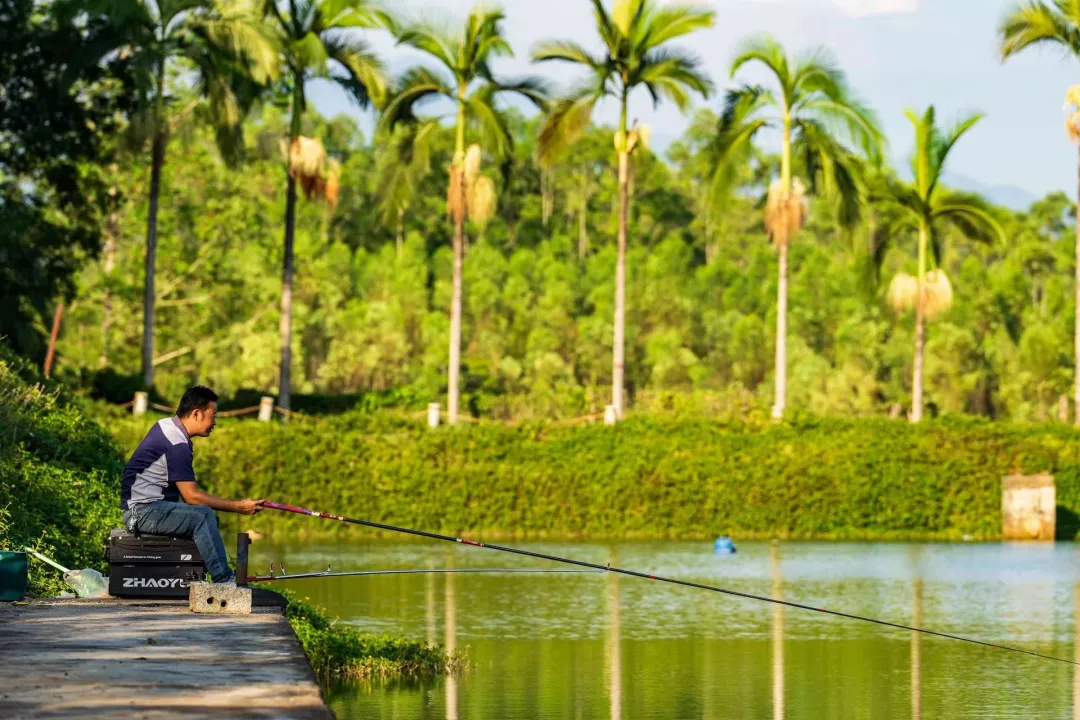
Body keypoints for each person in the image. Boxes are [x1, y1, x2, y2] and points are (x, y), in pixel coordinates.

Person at [120, 385, 264, 584]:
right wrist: (239, 507)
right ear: (197, 413)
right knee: (203, 516)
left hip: (143, 509)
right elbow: (192, 496)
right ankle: (224, 579)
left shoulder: (166, 425)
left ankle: (198, 575)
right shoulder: (177, 443)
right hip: (142, 512)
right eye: (213, 415)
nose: (215, 422)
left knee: (205, 517)